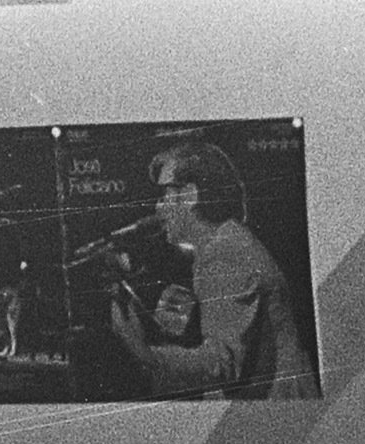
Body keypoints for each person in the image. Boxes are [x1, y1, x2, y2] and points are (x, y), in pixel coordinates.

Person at [110, 139, 318, 400]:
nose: (158, 208)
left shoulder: (225, 254)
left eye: (164, 193)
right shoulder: (225, 243)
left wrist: (146, 354)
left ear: (189, 195)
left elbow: (224, 363)